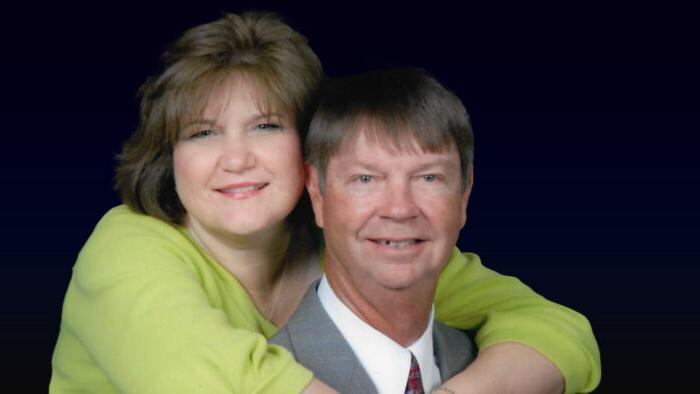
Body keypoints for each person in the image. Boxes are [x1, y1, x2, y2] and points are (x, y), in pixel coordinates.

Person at [49, 11, 600, 394]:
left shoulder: (344, 240)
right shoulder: (125, 248)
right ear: (169, 156)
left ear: (311, 151)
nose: (236, 159)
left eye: (265, 126)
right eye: (202, 133)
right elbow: (230, 383)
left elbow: (558, 331)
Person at [270, 68, 481, 393]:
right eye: (365, 179)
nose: (399, 209)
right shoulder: (261, 379)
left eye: (428, 178)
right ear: (316, 194)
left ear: (464, 195)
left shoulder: (481, 363)